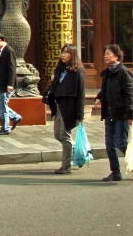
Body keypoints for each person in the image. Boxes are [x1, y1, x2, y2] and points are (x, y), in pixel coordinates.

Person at [95, 44, 133, 182]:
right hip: (109, 113)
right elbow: (105, 90)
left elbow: (130, 94)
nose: (105, 56)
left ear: (117, 56)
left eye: (108, 53)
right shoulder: (107, 73)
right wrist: (99, 98)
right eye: (105, 53)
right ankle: (115, 172)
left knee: (121, 143)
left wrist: (130, 114)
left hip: (121, 114)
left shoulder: (124, 72)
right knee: (109, 144)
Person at [47, 44, 86, 174]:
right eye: (62, 52)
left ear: (73, 54)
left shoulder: (77, 71)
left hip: (69, 107)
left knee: (65, 135)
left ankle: (66, 166)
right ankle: (80, 151)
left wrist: (80, 114)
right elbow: (57, 86)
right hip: (58, 105)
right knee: (58, 134)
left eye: (66, 52)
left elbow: (81, 93)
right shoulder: (61, 69)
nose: (63, 55)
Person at [0, 31, 22, 135]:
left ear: (0, 40)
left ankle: (5, 128)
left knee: (2, 106)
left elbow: (12, 68)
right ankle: (15, 117)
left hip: (5, 84)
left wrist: (10, 84)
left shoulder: (8, 51)